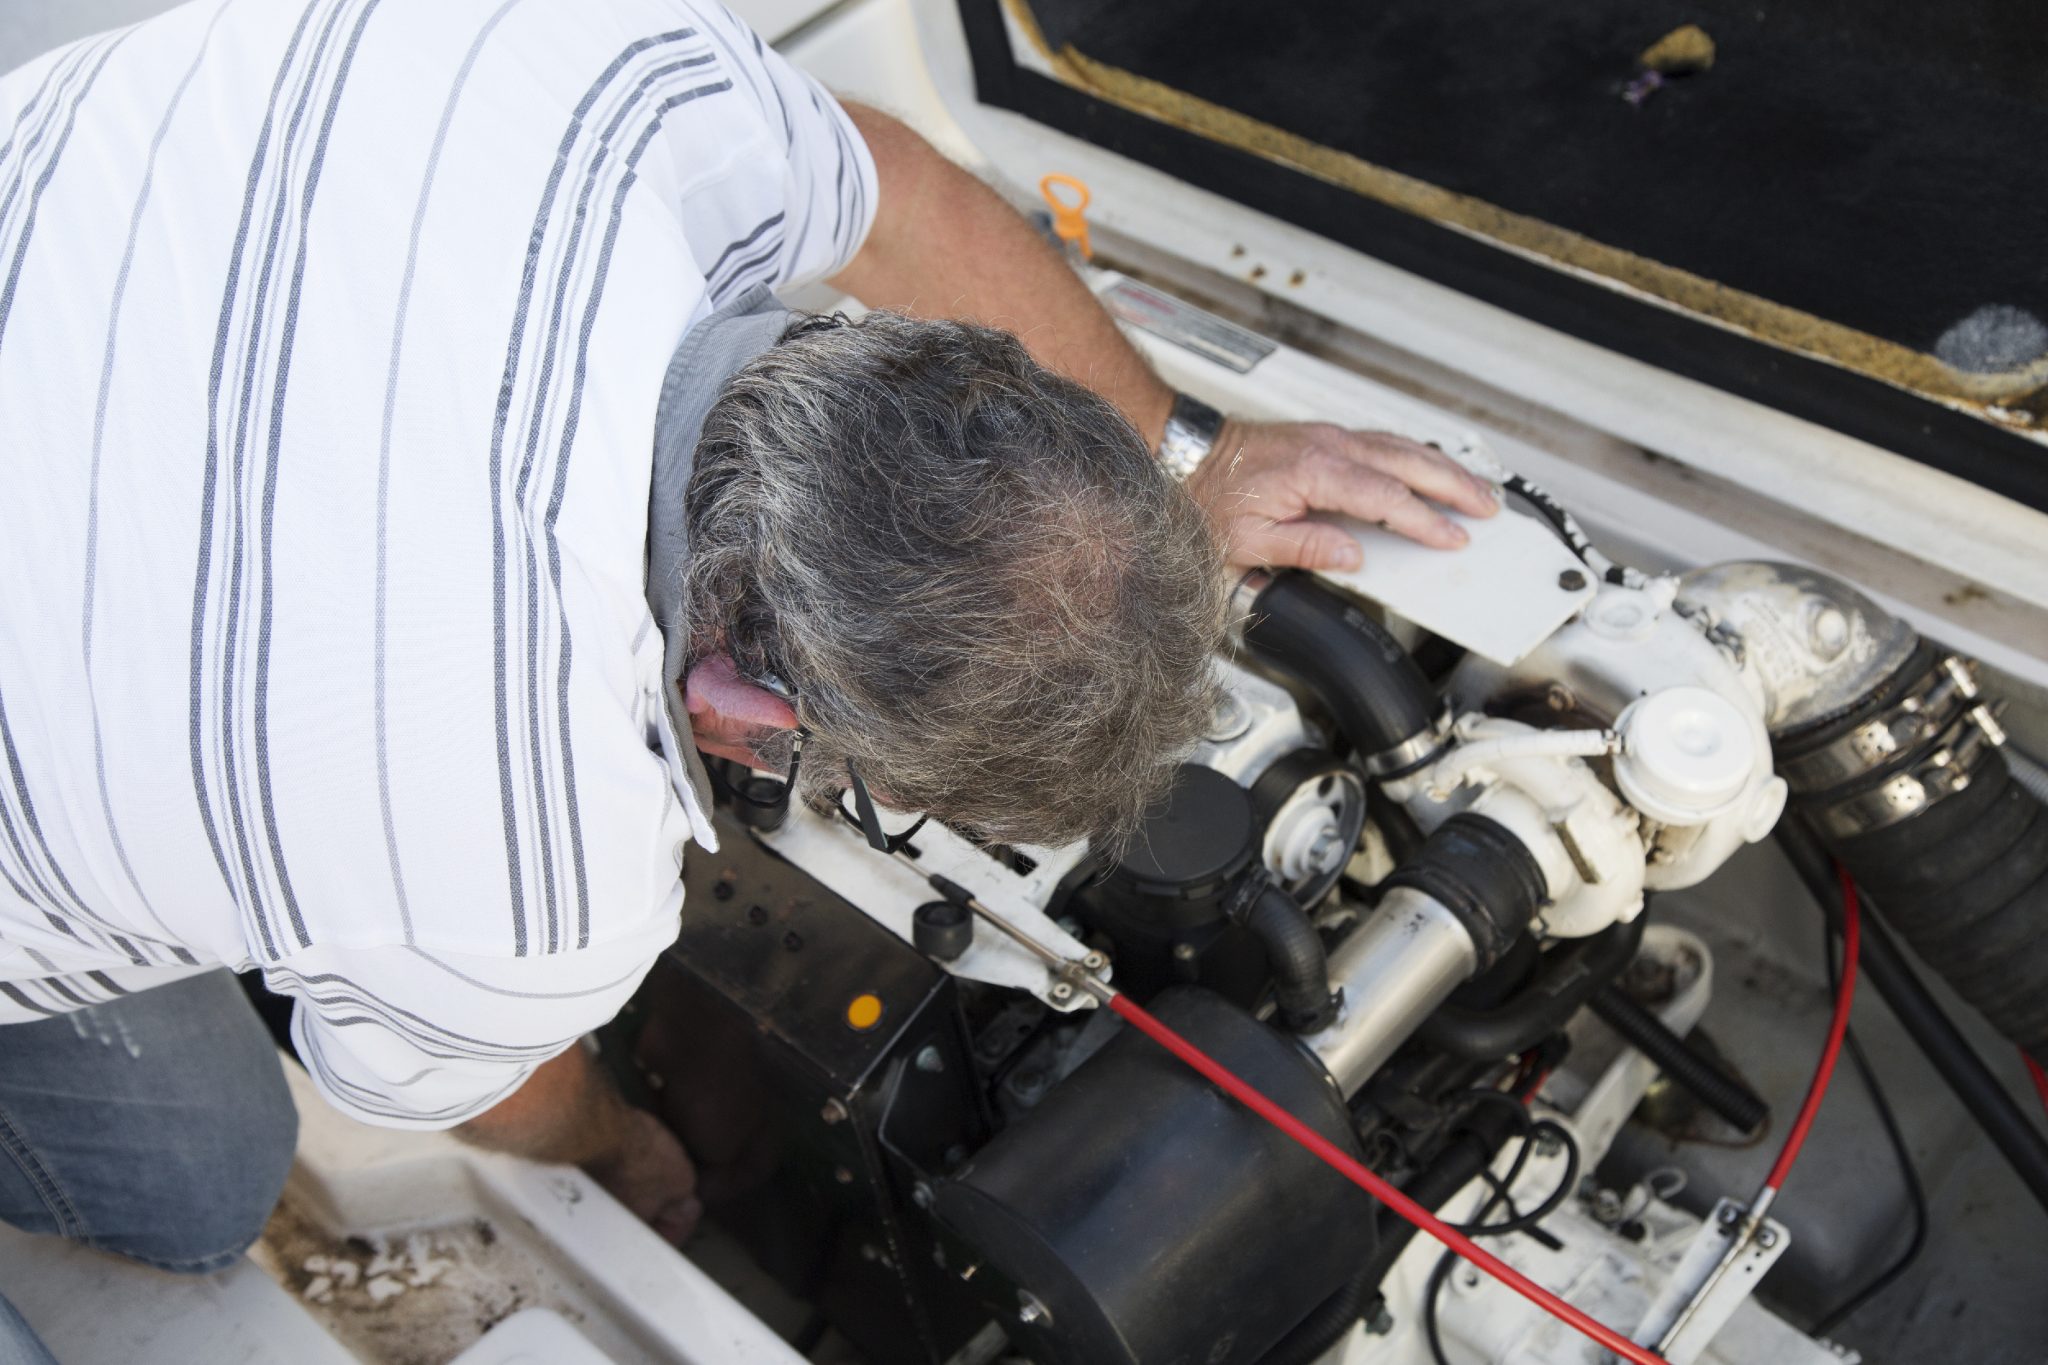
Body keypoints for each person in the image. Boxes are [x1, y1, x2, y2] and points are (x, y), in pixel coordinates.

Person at [0, 0, 1496, 1352]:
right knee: (200, 1185)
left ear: (918, 354)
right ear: (742, 717)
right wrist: (614, 1144)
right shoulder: (518, 869)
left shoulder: (607, 77)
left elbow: (891, 183)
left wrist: (1188, 459)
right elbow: (487, 1088)